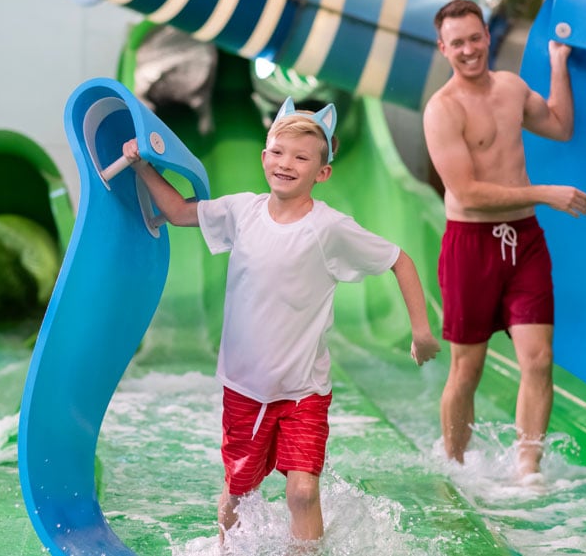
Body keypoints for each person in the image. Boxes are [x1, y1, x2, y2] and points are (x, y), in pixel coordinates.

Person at [124, 97, 440, 548]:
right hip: (245, 388)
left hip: (304, 390)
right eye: (277, 151)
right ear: (263, 157)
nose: (285, 163)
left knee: (303, 491)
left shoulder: (330, 228)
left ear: (322, 172)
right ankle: (225, 547)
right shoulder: (242, 211)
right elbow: (177, 212)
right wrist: (140, 167)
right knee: (239, 492)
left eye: (301, 157)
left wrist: (421, 330)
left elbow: (400, 260)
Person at [422, 0, 586, 478]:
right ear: (443, 48)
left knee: (538, 359)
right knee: (466, 371)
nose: (469, 50)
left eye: (475, 38)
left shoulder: (513, 88)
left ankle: (527, 470)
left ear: (487, 36)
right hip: (470, 247)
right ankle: (454, 467)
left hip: (524, 241)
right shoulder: (442, 110)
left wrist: (558, 65)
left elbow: (560, 124)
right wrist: (545, 193)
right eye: (458, 43)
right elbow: (467, 193)